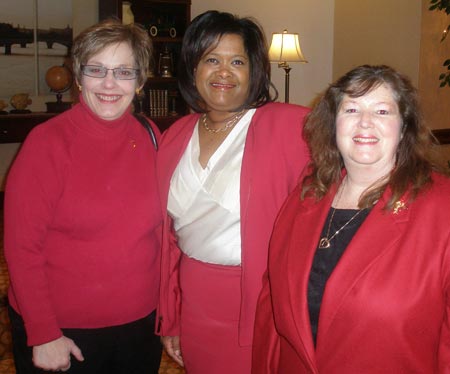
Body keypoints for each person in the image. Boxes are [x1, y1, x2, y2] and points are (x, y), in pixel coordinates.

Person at [252, 64, 450, 373]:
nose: (365, 123)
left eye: (382, 112)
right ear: (333, 123)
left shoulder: (441, 208)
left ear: (404, 127)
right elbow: (271, 307)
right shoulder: (305, 196)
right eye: (352, 109)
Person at [4, 19, 162, 373]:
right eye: (96, 69)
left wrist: (170, 314)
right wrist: (43, 333)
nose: (109, 83)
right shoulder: (46, 144)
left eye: (123, 71)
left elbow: (163, 232)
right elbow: (21, 247)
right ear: (78, 77)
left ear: (139, 81)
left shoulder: (151, 135)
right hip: (64, 334)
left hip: (140, 327)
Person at [156, 10, 310, 374]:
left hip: (260, 306)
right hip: (194, 303)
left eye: (237, 61)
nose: (223, 72)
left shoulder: (289, 126)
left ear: (254, 71)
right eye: (211, 59)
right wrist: (173, 315)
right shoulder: (175, 135)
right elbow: (170, 241)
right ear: (193, 68)